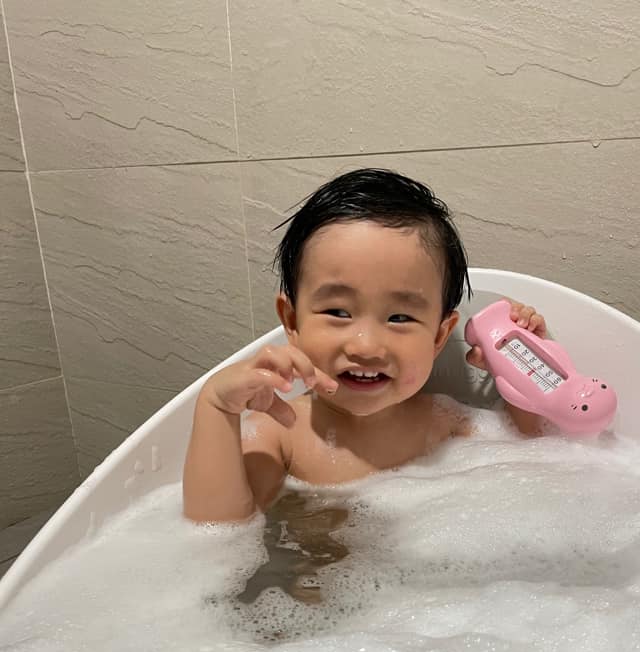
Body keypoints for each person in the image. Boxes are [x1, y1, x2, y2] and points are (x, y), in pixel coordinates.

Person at [183, 168, 546, 523]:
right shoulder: (280, 433)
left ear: (438, 337)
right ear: (292, 322)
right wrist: (217, 406)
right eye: (338, 312)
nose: (367, 347)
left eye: (399, 318)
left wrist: (526, 364)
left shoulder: (442, 422)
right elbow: (218, 528)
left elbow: (535, 456)